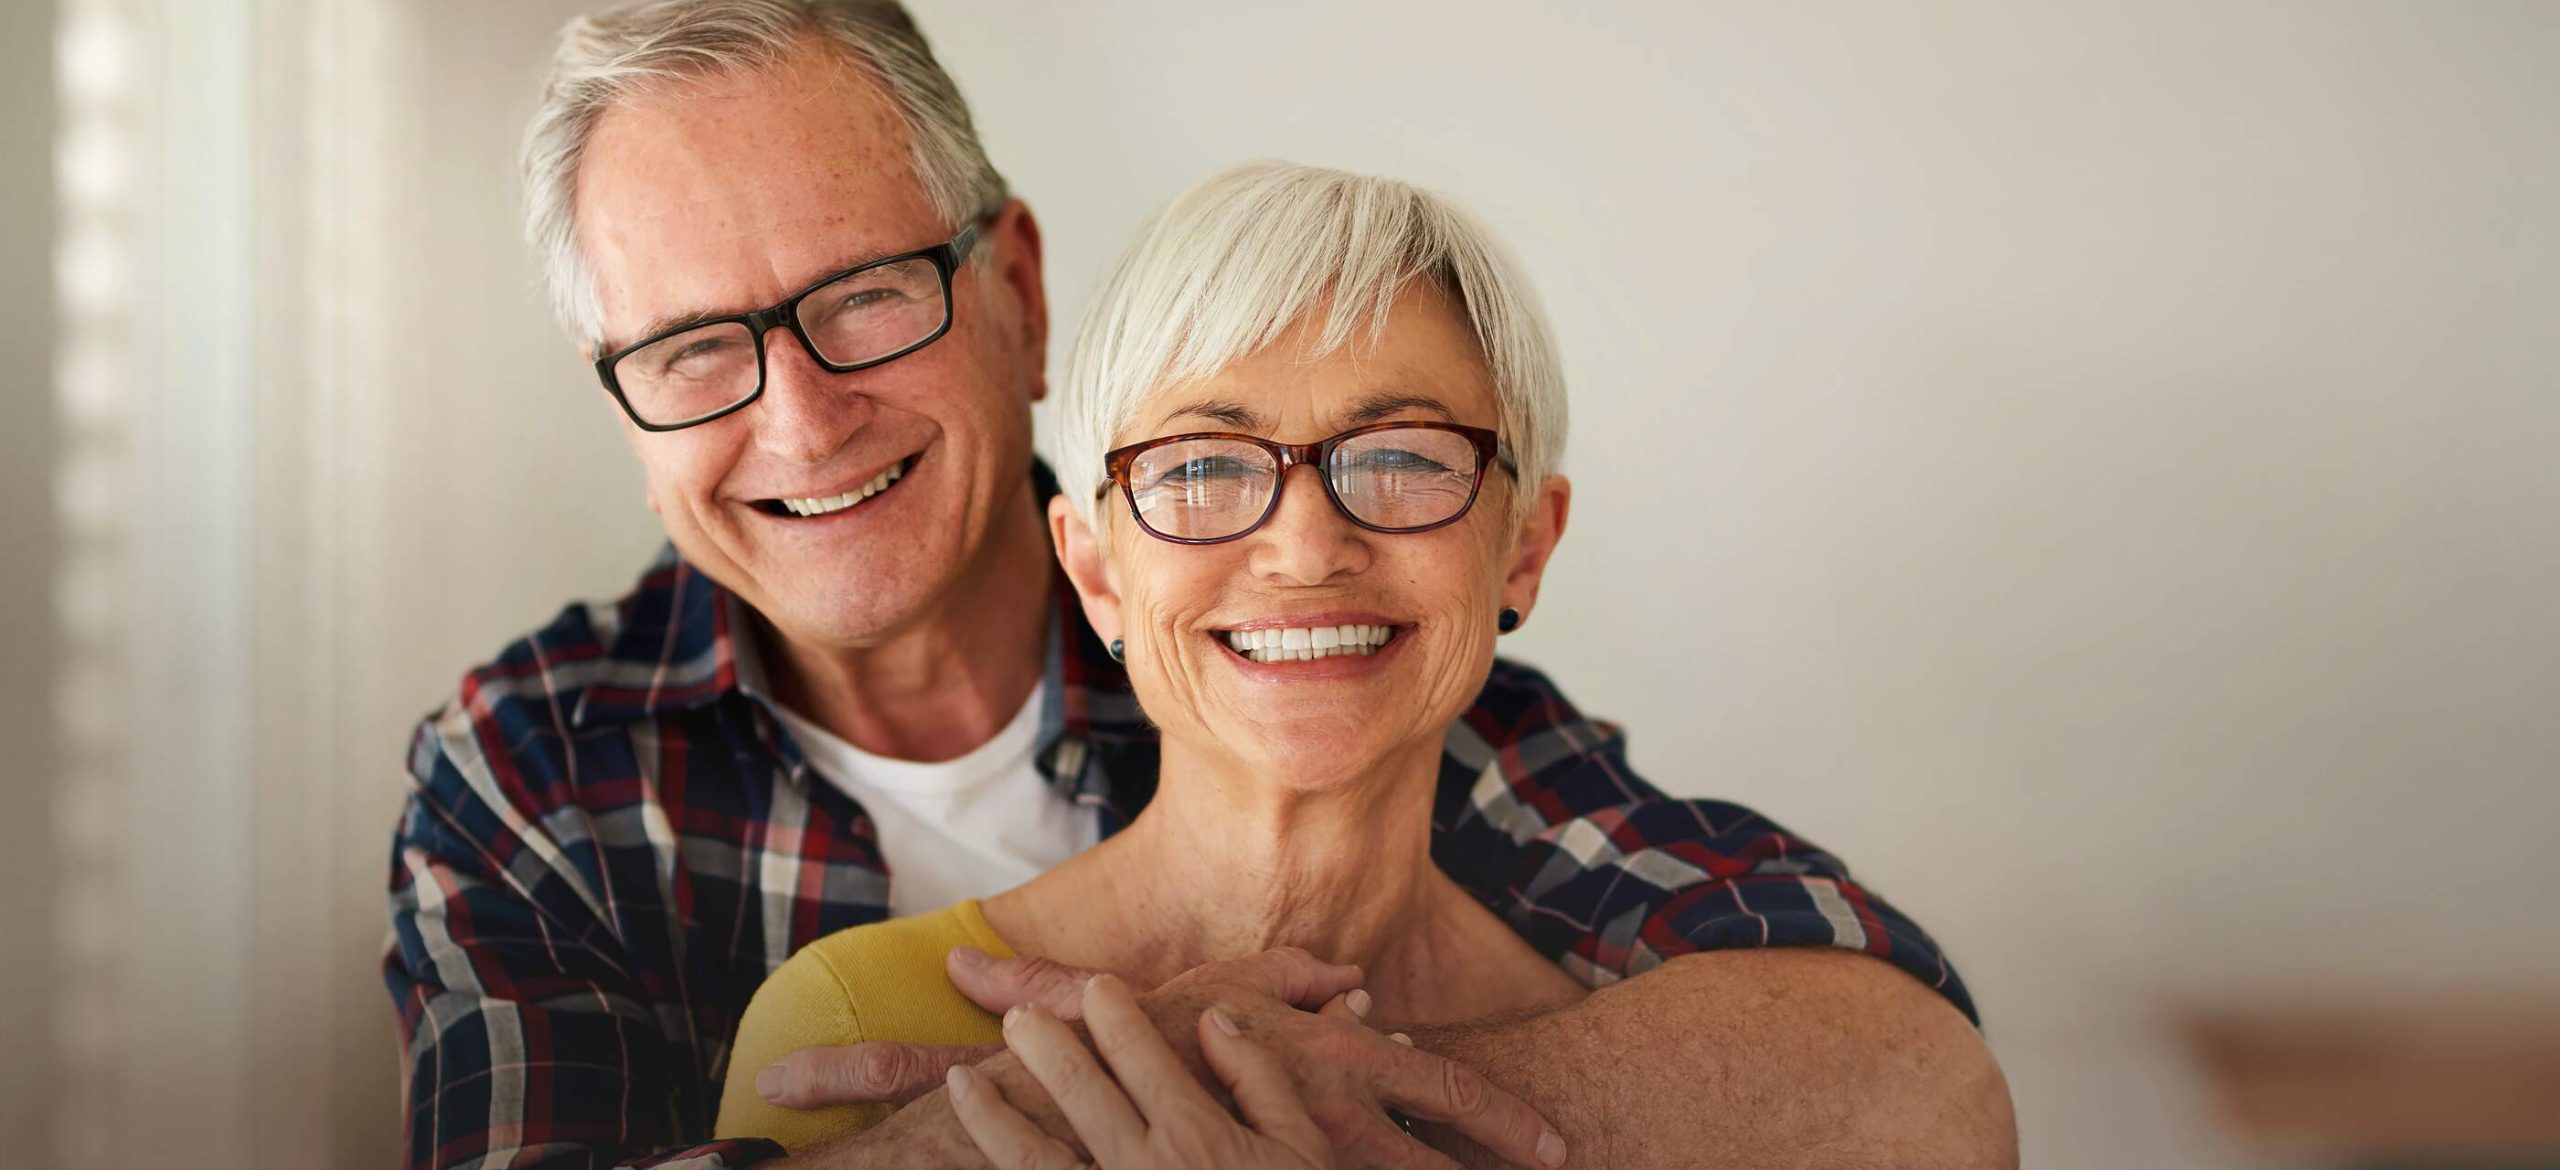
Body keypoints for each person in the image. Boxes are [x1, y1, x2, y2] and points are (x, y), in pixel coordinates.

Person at [381, 3, 2012, 1169]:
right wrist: (971, 1136)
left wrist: (1256, 1096)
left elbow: (1888, 1053)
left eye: (865, 298)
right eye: (691, 350)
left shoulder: (1332, 667)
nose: (802, 417)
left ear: (1013, 290)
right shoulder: (533, 769)